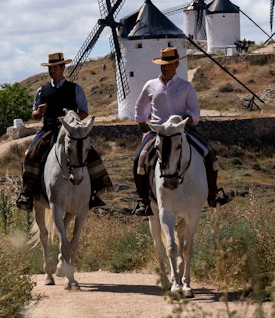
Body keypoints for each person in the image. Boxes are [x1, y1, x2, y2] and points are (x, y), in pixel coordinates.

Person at [131, 46, 230, 216]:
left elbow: (195, 112)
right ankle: (143, 201)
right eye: (162, 64)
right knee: (138, 159)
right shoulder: (150, 85)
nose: (165, 67)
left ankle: (213, 193)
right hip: (158, 131)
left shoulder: (186, 87)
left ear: (176, 64)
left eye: (168, 64)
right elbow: (139, 108)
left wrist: (187, 119)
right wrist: (144, 128)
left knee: (209, 153)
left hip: (182, 130)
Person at [15, 52, 110, 211]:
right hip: (48, 129)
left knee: (91, 153)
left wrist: (69, 120)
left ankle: (94, 193)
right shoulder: (42, 90)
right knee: (29, 154)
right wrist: (39, 112)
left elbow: (84, 112)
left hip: (71, 131)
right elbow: (34, 115)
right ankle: (28, 193)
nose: (52, 71)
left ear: (62, 68)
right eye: (50, 68)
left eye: (55, 68)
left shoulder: (75, 89)